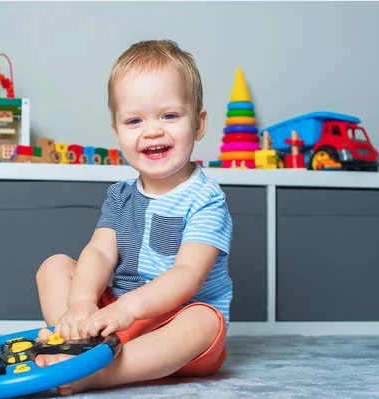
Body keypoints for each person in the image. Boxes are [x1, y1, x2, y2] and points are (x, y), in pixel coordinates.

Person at [34, 39, 233, 396]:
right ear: (117, 132)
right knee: (54, 266)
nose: (152, 130)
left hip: (174, 324)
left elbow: (187, 275)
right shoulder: (121, 194)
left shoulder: (206, 199)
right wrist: (81, 302)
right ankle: (75, 343)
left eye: (169, 115)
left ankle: (97, 373)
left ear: (199, 124)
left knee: (203, 322)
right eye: (134, 120)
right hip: (117, 319)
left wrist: (129, 309)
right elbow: (100, 252)